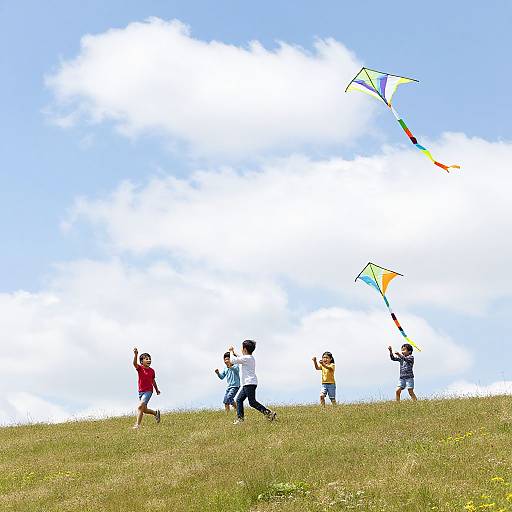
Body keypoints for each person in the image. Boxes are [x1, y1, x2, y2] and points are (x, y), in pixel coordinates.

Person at [228, 340, 276, 424]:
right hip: (250, 383)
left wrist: (230, 352)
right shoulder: (250, 358)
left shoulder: (246, 358)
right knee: (239, 400)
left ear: (245, 349)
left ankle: (269, 413)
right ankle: (240, 419)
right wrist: (235, 353)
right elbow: (240, 358)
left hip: (249, 383)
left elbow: (232, 360)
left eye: (242, 348)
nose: (241, 349)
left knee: (252, 402)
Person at [133, 347, 161, 429]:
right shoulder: (140, 368)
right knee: (144, 409)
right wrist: (135, 354)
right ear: (142, 362)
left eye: (149, 359)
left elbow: (153, 381)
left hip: (149, 391)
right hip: (141, 391)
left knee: (140, 406)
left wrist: (156, 390)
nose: (149, 360)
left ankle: (137, 425)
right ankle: (156, 413)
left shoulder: (152, 371)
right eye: (146, 359)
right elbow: (134, 364)